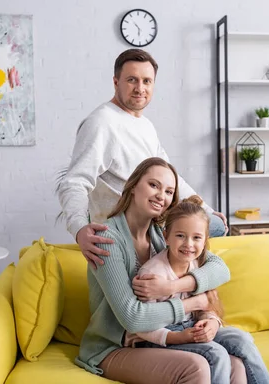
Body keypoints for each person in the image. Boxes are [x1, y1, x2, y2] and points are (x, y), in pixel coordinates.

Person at [56, 48, 228, 269]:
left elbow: (172, 178)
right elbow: (74, 181)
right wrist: (79, 229)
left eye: (147, 81)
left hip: (153, 218)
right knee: (208, 230)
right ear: (116, 82)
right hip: (127, 228)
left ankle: (181, 284)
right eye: (132, 80)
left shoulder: (145, 125)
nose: (140, 88)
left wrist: (205, 208)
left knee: (214, 224)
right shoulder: (102, 123)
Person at [75, 157, 238, 383]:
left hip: (155, 338)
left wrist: (198, 307)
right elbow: (132, 318)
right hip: (114, 347)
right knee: (197, 366)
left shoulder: (163, 235)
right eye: (154, 185)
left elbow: (219, 269)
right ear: (132, 187)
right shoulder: (106, 239)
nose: (162, 196)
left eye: (169, 191)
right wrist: (193, 303)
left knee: (236, 364)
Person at [126, 195, 269, 384]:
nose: (188, 244)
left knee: (242, 339)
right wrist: (177, 337)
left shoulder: (198, 266)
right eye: (180, 236)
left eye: (196, 238)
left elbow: (206, 306)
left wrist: (212, 322)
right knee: (216, 353)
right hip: (161, 337)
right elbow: (143, 327)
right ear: (166, 237)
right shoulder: (152, 274)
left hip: (192, 328)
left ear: (205, 241)